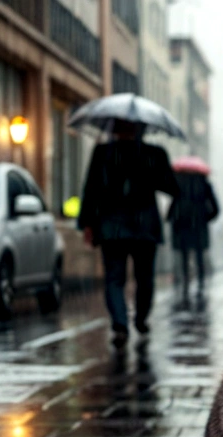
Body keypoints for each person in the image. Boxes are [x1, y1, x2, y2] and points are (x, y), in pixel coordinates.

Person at [78, 119, 179, 348]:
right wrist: (151, 172)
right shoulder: (155, 153)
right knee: (145, 279)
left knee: (114, 279)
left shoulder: (103, 152)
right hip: (145, 227)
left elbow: (91, 189)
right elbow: (172, 187)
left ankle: (120, 325)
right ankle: (141, 319)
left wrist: (88, 223)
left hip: (112, 226)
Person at [169, 168, 220, 302]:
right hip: (198, 225)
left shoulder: (177, 183)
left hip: (182, 224)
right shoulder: (205, 184)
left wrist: (171, 217)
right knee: (199, 255)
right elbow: (215, 208)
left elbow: (173, 205)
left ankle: (185, 281)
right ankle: (201, 282)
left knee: (184, 254)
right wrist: (205, 218)